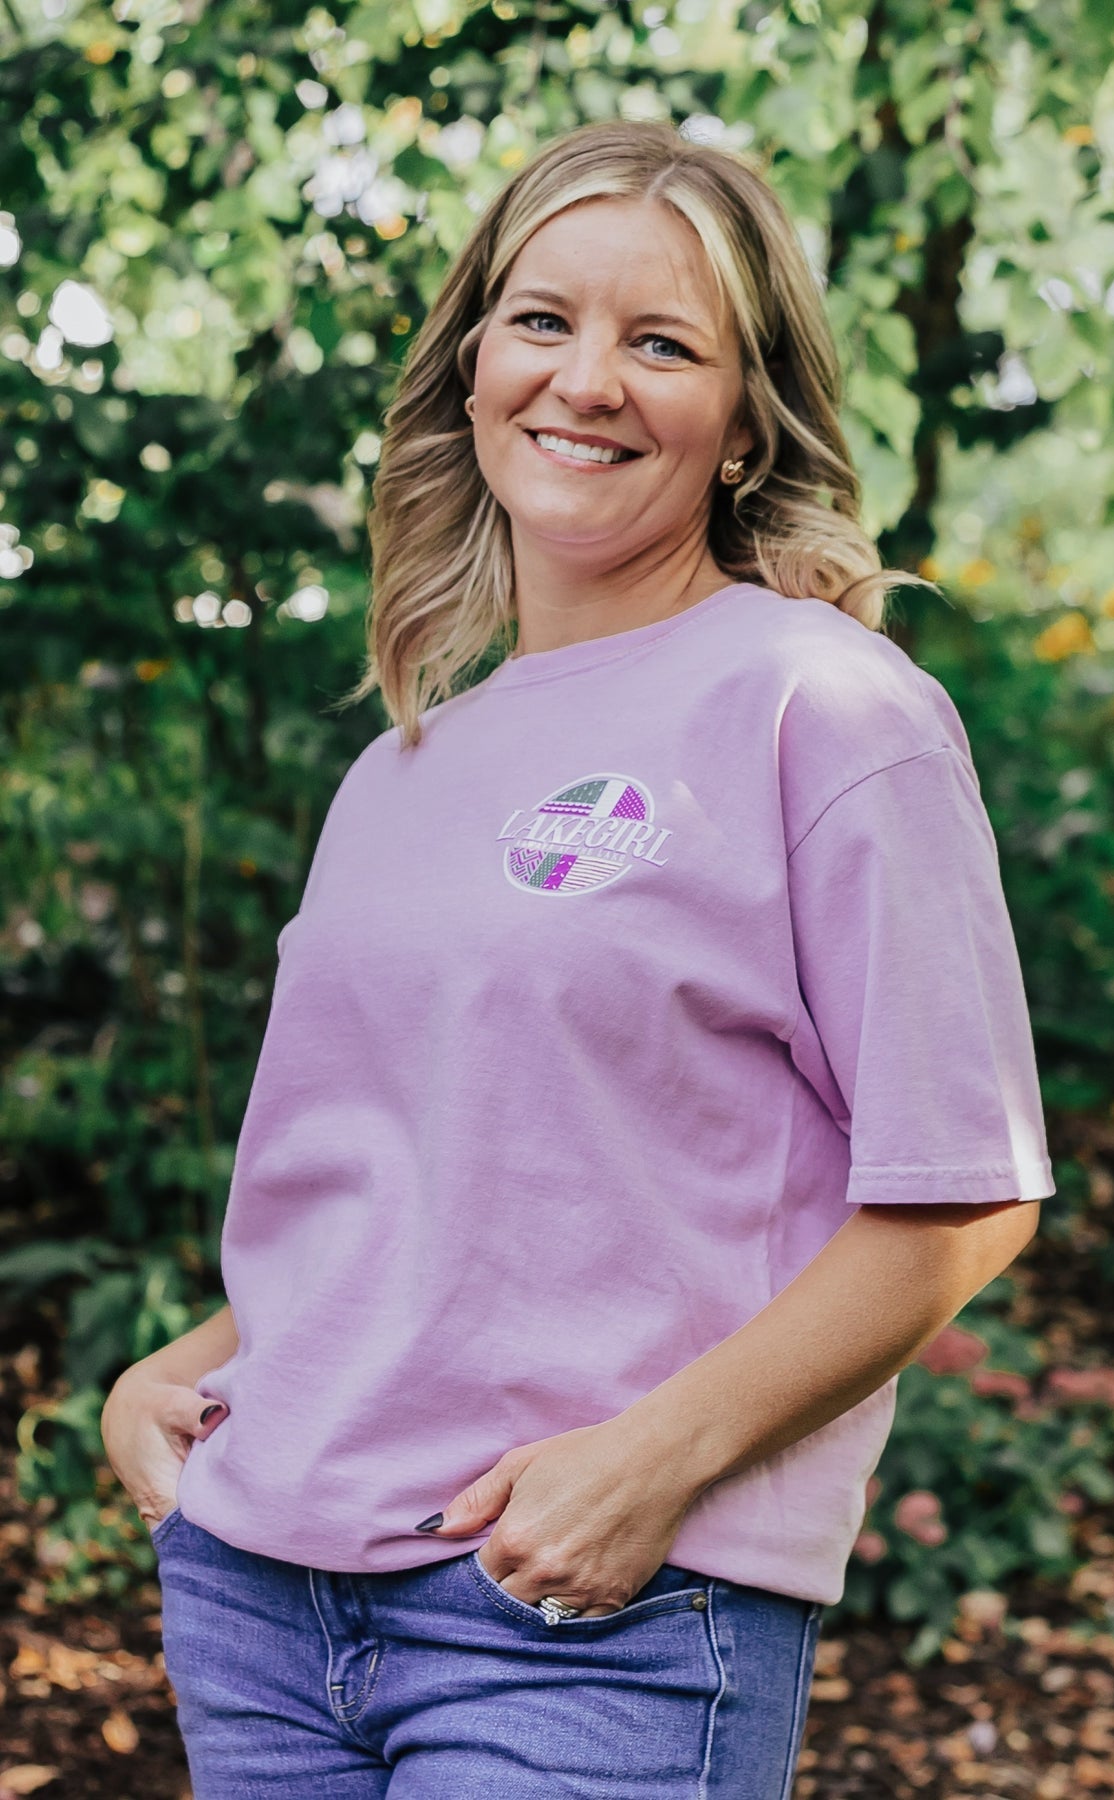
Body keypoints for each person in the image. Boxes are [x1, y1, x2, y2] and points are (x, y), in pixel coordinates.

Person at [101, 119, 1054, 1798]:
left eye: (663, 343)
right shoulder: (401, 764)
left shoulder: (824, 706)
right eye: (543, 321)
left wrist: (649, 1467)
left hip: (588, 1617)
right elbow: (438, 1187)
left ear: (746, 420)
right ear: (474, 365)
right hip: (259, 1605)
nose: (587, 380)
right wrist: (178, 1373)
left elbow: (963, 1196)